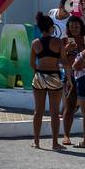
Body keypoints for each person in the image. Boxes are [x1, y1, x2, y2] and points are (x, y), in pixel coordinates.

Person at [29, 12, 65, 150]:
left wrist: (39, 71)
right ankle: (55, 142)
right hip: (54, 76)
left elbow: (32, 63)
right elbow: (64, 60)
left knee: (38, 110)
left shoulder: (35, 43)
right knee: (54, 111)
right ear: (51, 28)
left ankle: (36, 141)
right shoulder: (58, 42)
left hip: (39, 76)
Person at [60, 14, 85, 146]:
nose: (74, 29)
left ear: (81, 27)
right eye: (71, 27)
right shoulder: (65, 41)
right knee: (69, 107)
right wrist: (66, 50)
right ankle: (66, 136)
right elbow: (60, 60)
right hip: (70, 76)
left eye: (77, 26)